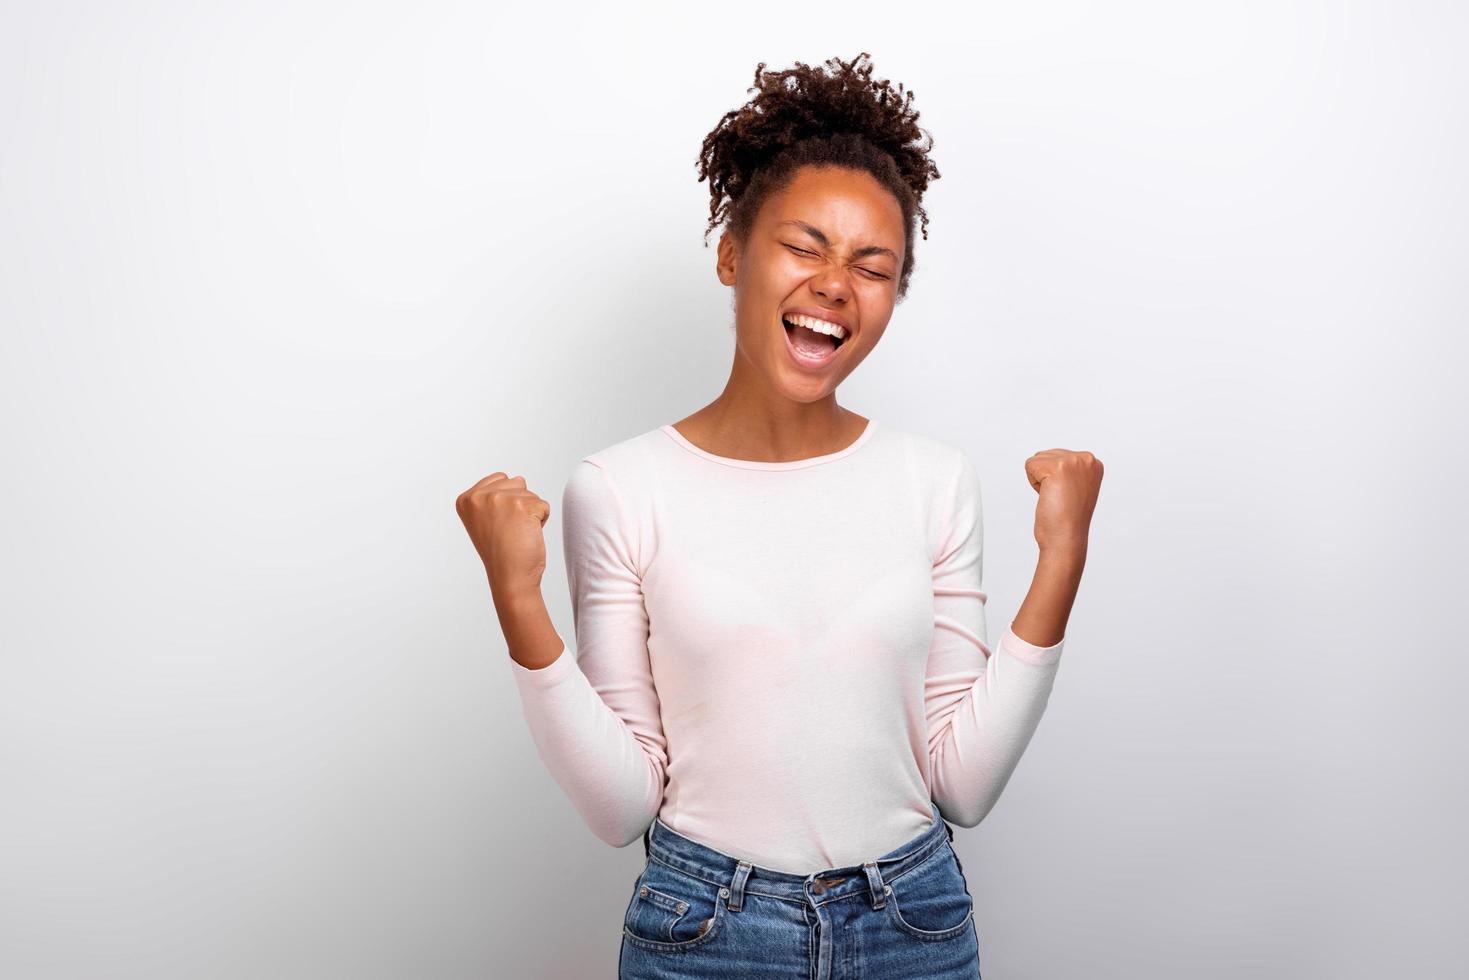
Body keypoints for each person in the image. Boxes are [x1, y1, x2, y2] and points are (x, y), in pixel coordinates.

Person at [456, 52, 1103, 980]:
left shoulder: (934, 480)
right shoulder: (620, 486)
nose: (835, 283)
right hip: (704, 931)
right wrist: (520, 605)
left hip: (913, 924)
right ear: (732, 254)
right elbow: (619, 807)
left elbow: (961, 784)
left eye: (871, 266)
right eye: (804, 246)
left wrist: (1061, 562)